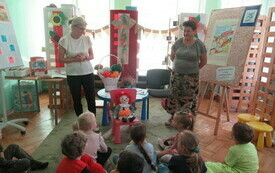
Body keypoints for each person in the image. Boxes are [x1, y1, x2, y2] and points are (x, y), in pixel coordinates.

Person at [165, 20, 207, 126]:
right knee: (174, 97)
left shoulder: (199, 45)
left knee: (188, 99)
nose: (186, 33)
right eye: (184, 30)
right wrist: (179, 66)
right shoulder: (178, 42)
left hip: (191, 78)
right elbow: (172, 56)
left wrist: (192, 69)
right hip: (177, 76)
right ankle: (173, 118)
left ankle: (187, 121)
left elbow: (204, 61)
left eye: (188, 31)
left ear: (194, 31)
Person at [58, 16, 96, 117]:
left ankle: (92, 122)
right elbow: (60, 59)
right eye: (81, 29)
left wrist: (84, 57)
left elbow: (92, 56)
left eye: (84, 29)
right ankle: (80, 122)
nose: (83, 31)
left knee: (91, 98)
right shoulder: (64, 40)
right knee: (76, 98)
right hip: (73, 74)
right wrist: (75, 59)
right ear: (73, 27)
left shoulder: (86, 38)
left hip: (87, 72)